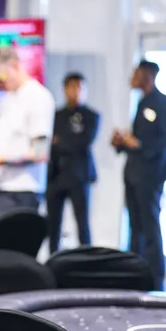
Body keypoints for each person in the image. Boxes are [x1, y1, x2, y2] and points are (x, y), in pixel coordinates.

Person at [0, 46, 55, 226]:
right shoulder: (7, 100)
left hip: (22, 193)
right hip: (0, 190)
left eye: (1, 77)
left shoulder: (38, 97)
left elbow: (39, 153)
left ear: (14, 66)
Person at [112, 60, 166, 291]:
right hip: (133, 174)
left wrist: (139, 144)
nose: (132, 77)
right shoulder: (142, 103)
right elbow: (136, 141)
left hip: (150, 176)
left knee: (150, 227)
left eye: (136, 73)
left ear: (147, 75)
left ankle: (155, 280)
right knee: (135, 227)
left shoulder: (165, 103)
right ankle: (133, 275)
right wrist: (123, 142)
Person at [46, 72, 99, 253]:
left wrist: (60, 141)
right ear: (64, 89)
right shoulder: (56, 115)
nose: (76, 92)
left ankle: (87, 261)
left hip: (79, 176)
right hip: (56, 175)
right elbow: (49, 144)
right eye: (72, 87)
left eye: (80, 88)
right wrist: (64, 142)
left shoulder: (91, 116)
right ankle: (52, 261)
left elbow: (83, 142)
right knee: (53, 224)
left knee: (82, 223)